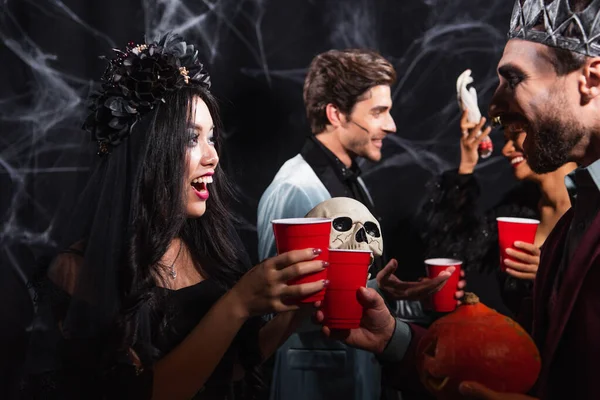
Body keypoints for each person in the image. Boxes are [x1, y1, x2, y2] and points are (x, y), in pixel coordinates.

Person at [20, 33, 329, 400]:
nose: (212, 157)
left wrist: (292, 317)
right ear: (148, 151)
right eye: (190, 139)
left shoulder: (212, 248)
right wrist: (238, 304)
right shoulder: (78, 270)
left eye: (212, 138)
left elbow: (228, 367)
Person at [316, 0, 600, 399]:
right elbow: (522, 366)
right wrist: (392, 339)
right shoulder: (576, 221)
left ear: (590, 79)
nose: (494, 107)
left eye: (513, 79)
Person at [257, 49, 462, 400]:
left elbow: (343, 286)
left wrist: (398, 298)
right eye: (378, 112)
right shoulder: (295, 188)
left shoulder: (352, 181)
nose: (392, 125)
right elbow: (270, 310)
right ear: (335, 114)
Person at [419, 110, 575, 319]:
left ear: (549, 133)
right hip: (510, 342)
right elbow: (458, 251)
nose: (506, 150)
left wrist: (551, 277)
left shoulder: (590, 211)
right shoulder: (519, 209)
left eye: (514, 137)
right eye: (505, 140)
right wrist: (466, 167)